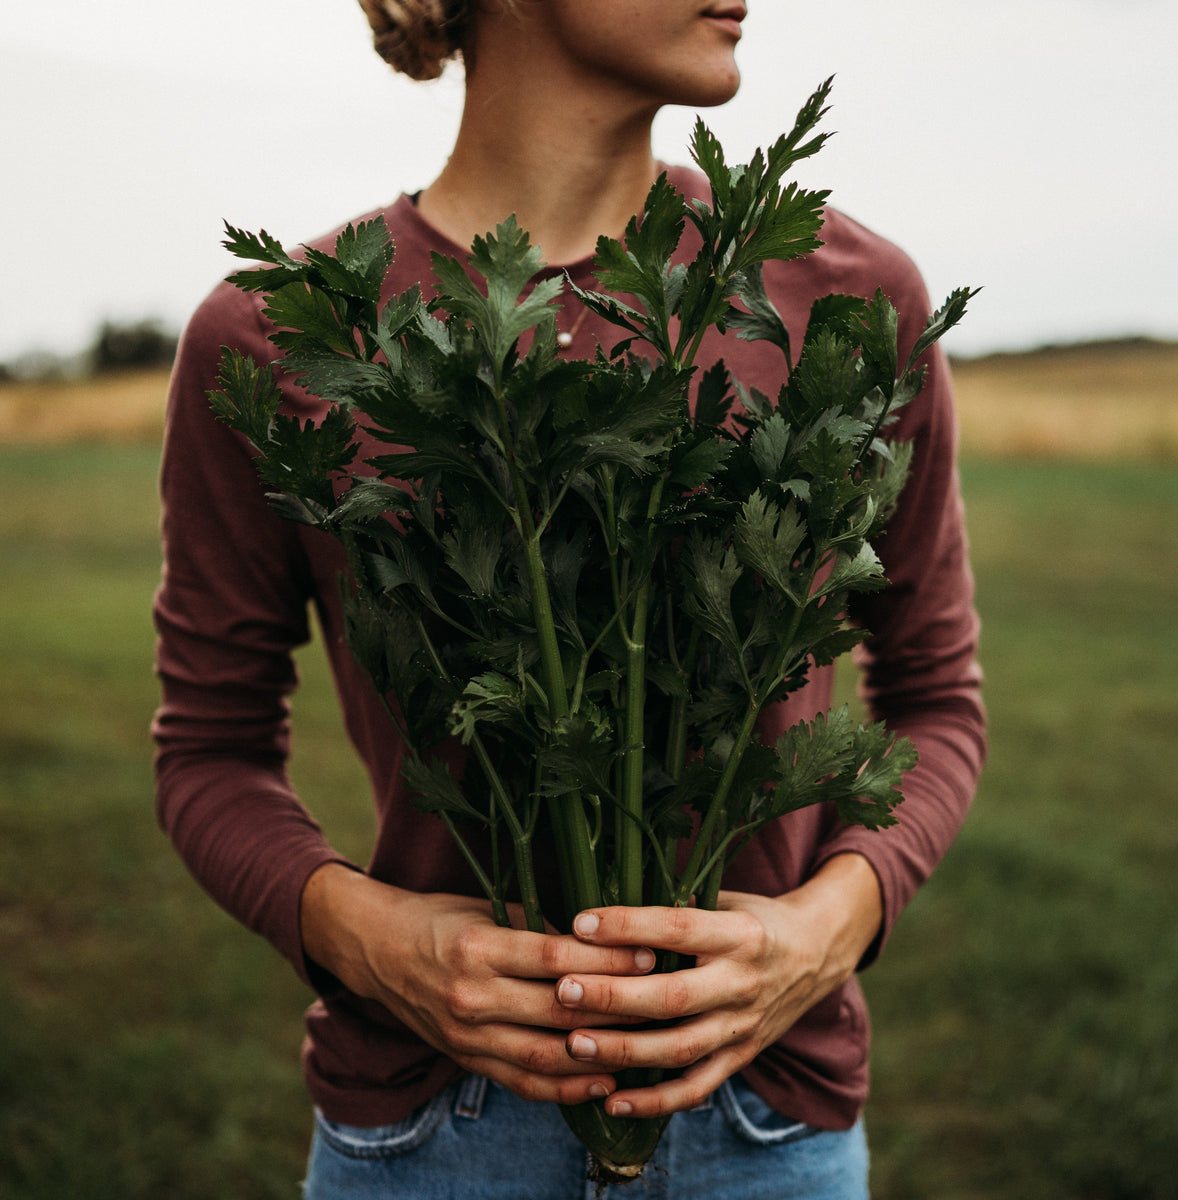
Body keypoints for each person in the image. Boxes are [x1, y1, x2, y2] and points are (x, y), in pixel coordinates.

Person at [152, 2, 986, 1197]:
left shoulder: (845, 296)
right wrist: (362, 938)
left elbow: (935, 697)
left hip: (765, 1124)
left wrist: (826, 929)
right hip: (437, 1130)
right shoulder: (280, 338)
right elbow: (210, 748)